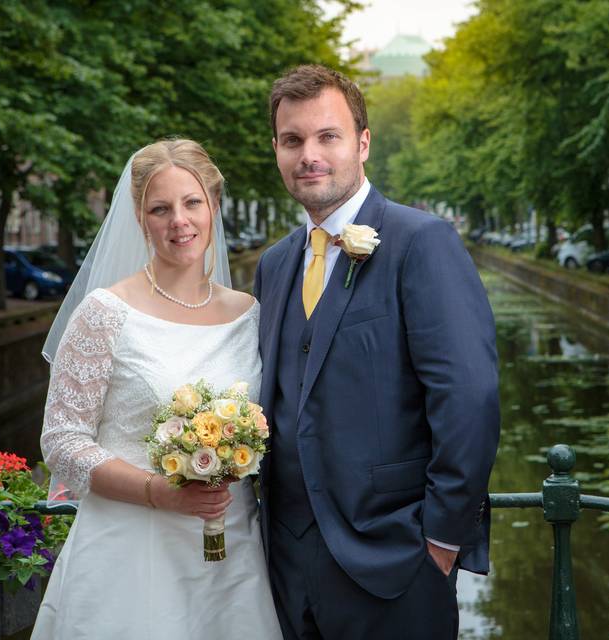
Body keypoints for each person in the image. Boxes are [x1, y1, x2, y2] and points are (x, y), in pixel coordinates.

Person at [254, 64, 500, 640]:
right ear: (277, 150)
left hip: (395, 564)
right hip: (285, 565)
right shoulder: (275, 264)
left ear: (363, 143)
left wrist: (439, 542)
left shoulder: (422, 242)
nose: (308, 154)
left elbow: (469, 398)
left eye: (327, 136)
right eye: (292, 141)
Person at [33, 139, 282, 639]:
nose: (179, 221)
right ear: (140, 218)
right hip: (131, 549)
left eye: (192, 203)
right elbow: (61, 440)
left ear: (213, 206)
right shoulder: (105, 313)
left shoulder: (250, 313)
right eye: (160, 209)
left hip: (231, 551)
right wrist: (158, 492)